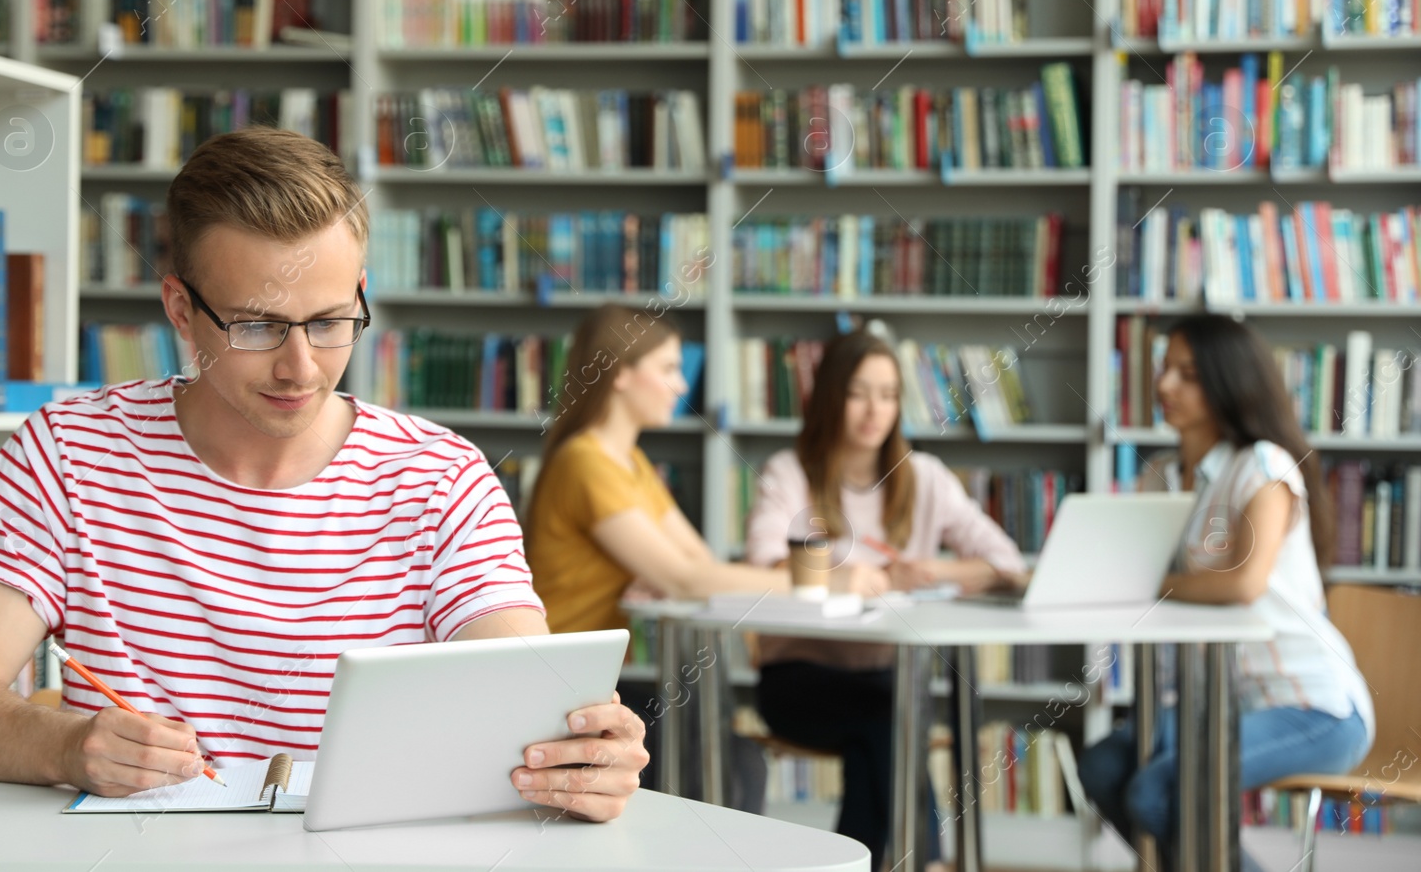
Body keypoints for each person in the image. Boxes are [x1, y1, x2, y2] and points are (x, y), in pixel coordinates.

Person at [0, 127, 646, 822]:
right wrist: (62, 743)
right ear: (180, 310)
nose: (300, 366)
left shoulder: (441, 479)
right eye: (257, 326)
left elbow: (517, 692)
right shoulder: (67, 453)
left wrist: (581, 753)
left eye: (329, 322)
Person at [524, 305, 889, 809]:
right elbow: (687, 577)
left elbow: (699, 562)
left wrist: (686, 577)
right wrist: (826, 583)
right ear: (622, 375)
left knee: (736, 758)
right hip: (559, 687)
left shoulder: (628, 461)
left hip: (595, 679)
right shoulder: (586, 462)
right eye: (670, 368)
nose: (680, 386)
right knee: (722, 760)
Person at [1077, 314, 1374, 869]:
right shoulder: (1158, 476)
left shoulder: (1263, 466)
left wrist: (1140, 583)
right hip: (1217, 705)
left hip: (1314, 708)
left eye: (1187, 374)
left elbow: (1243, 582)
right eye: (1165, 369)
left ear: (1227, 381)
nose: (1164, 385)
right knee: (1102, 768)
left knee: (1155, 791)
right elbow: (1121, 575)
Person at [743, 328, 1028, 872]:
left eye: (889, 394)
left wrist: (930, 570)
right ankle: (931, 864)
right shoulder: (789, 473)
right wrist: (863, 574)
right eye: (858, 392)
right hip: (799, 679)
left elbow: (1008, 564)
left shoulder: (924, 478)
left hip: (887, 681)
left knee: (883, 729)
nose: (875, 410)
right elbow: (764, 567)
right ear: (829, 396)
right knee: (892, 725)